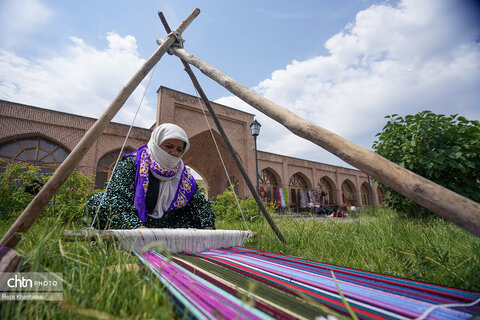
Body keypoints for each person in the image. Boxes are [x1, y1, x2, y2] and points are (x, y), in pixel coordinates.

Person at [86, 123, 216, 230]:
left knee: (195, 216)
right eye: (169, 146)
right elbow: (115, 198)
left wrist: (207, 226)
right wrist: (136, 226)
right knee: (99, 202)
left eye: (179, 149)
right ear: (156, 143)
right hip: (134, 221)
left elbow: (199, 203)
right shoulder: (133, 164)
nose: (174, 153)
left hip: (167, 225)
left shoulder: (183, 175)